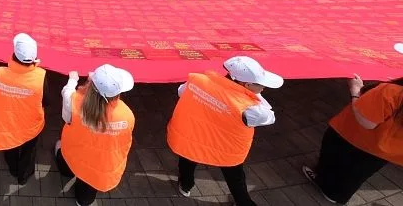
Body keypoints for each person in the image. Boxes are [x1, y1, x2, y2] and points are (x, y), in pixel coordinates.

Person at [168, 56, 282, 206]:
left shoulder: (199, 81)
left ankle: (186, 184)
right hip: (224, 147)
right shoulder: (252, 109)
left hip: (195, 137)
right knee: (235, 178)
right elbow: (269, 117)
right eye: (260, 85)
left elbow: (181, 91)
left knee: (188, 160)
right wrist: (252, 95)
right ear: (246, 84)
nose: (263, 88)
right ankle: (243, 203)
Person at [303, 45, 403, 205]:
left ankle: (325, 185)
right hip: (389, 150)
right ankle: (339, 195)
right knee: (358, 174)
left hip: (354, 137)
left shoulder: (391, 93)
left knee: (334, 160)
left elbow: (366, 122)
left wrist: (356, 91)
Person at [55, 64, 135, 206]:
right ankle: (82, 202)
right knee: (87, 188)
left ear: (91, 85)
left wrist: (73, 80)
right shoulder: (127, 115)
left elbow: (67, 108)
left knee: (66, 158)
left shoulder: (75, 101)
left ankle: (66, 172)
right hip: (99, 166)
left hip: (74, 152)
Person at [0, 34, 46, 184]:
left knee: (10, 148)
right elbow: (46, 100)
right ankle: (24, 176)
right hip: (30, 126)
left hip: (6, 125)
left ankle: (13, 168)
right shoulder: (41, 77)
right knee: (28, 151)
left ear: (14, 54)